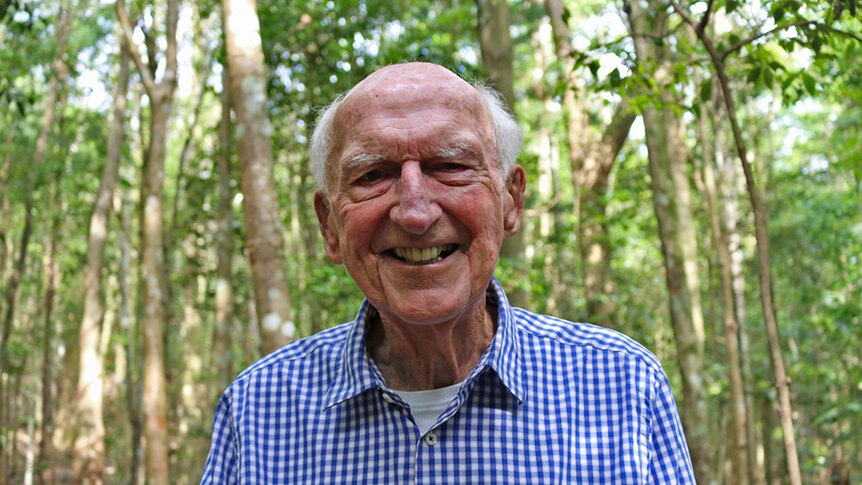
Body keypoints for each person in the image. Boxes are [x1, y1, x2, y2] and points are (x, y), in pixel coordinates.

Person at [201, 62, 695, 484]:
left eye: (451, 165)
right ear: (330, 225)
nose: (414, 212)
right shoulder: (258, 411)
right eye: (374, 175)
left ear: (510, 200)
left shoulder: (621, 386)